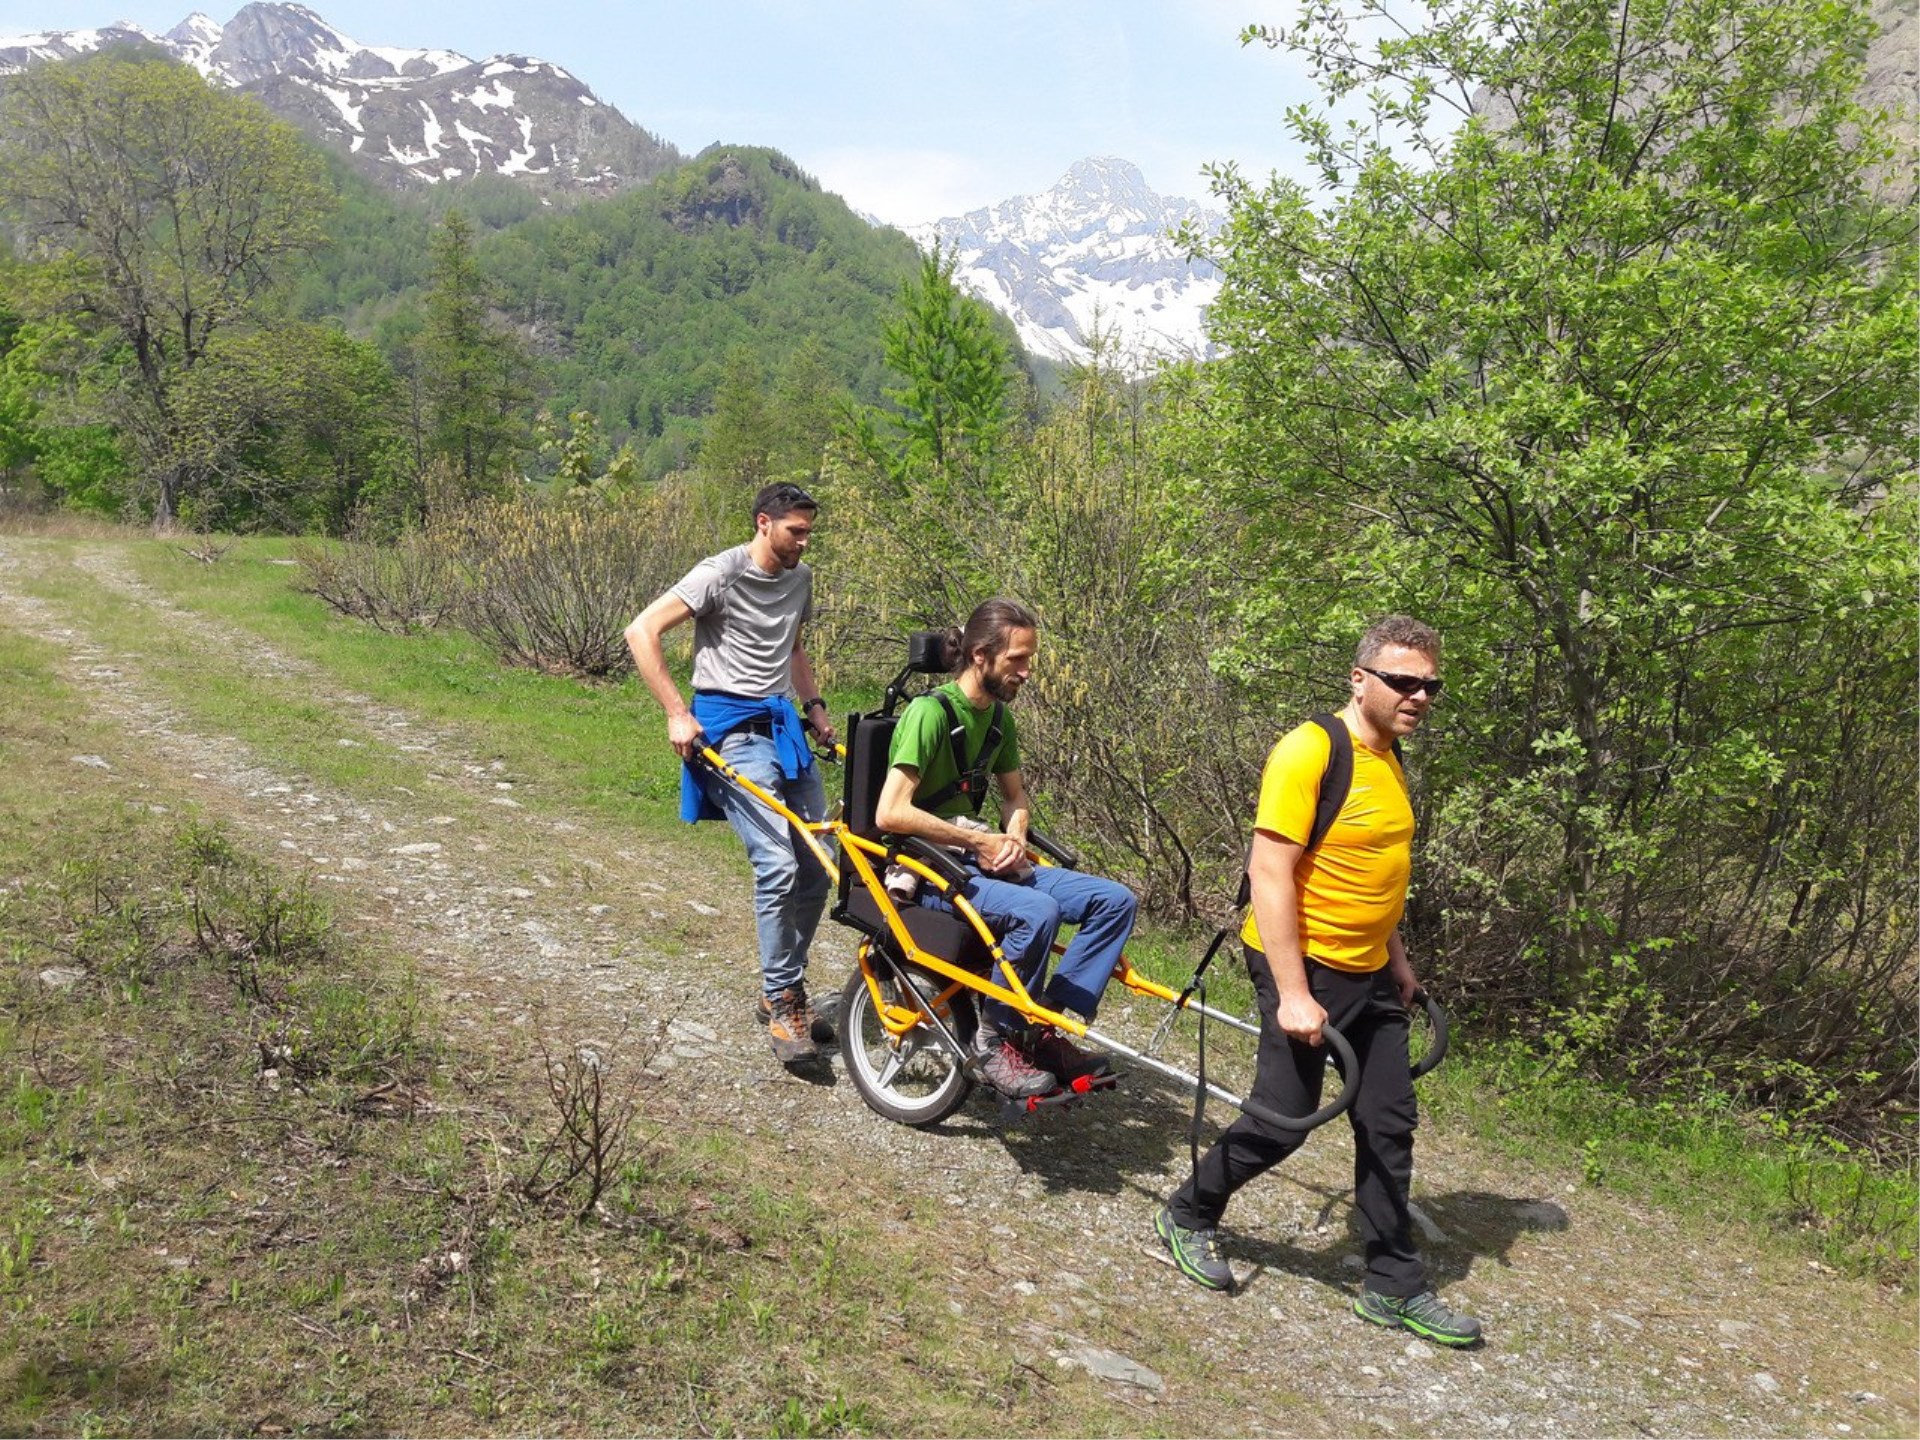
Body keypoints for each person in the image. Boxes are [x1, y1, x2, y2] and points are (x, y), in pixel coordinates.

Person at [1151, 615, 1482, 1348]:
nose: (1419, 696)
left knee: (1389, 1123)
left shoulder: (1390, 757)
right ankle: (1188, 1213)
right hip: (1303, 965)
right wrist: (1294, 991)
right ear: (1359, 678)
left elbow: (1376, 870)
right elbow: (1270, 871)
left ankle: (1393, 1286)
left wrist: (1397, 957)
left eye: (1430, 685)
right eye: (1403, 681)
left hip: (1368, 971)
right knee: (1283, 1120)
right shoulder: (1310, 751)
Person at [874, 598, 1139, 1099]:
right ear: (980, 655)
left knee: (1115, 900)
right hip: (930, 864)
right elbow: (890, 813)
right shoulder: (929, 715)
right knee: (1038, 910)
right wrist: (978, 839)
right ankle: (994, 1041)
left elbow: (1015, 797)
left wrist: (1014, 838)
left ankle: (1040, 1027)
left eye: (1028, 659)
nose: (1027, 671)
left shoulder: (998, 719)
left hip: (983, 859)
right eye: (1017, 659)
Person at [625, 482, 837, 1066]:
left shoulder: (801, 579)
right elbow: (640, 632)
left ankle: (784, 987)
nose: (802, 541)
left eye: (808, 532)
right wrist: (676, 713)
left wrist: (815, 708)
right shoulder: (719, 573)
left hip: (783, 725)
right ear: (763, 523)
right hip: (728, 729)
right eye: (795, 530)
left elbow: (793, 649)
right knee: (776, 863)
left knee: (821, 864)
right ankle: (782, 996)